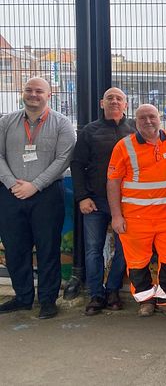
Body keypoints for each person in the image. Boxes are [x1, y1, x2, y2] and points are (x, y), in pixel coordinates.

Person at [0, 77, 75, 319]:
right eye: (29, 90)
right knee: (15, 248)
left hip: (47, 195)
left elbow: (63, 159)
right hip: (10, 194)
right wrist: (13, 184)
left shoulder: (62, 124)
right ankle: (22, 297)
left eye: (39, 91)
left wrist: (35, 185)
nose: (33, 94)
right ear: (22, 93)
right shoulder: (6, 122)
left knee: (48, 248)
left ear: (49, 95)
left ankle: (47, 300)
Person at [107, 104, 166, 317]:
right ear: (135, 121)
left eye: (152, 116)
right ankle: (145, 300)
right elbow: (113, 182)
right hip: (135, 218)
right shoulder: (124, 146)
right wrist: (116, 216)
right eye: (142, 117)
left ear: (159, 118)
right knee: (137, 262)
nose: (148, 121)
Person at [70, 87, 135, 316]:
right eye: (110, 98)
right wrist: (82, 197)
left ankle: (113, 290)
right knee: (93, 249)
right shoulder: (89, 131)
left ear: (126, 104)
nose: (114, 101)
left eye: (119, 98)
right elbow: (77, 165)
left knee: (124, 249)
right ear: (101, 103)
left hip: (127, 201)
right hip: (95, 200)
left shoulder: (135, 130)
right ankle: (96, 294)